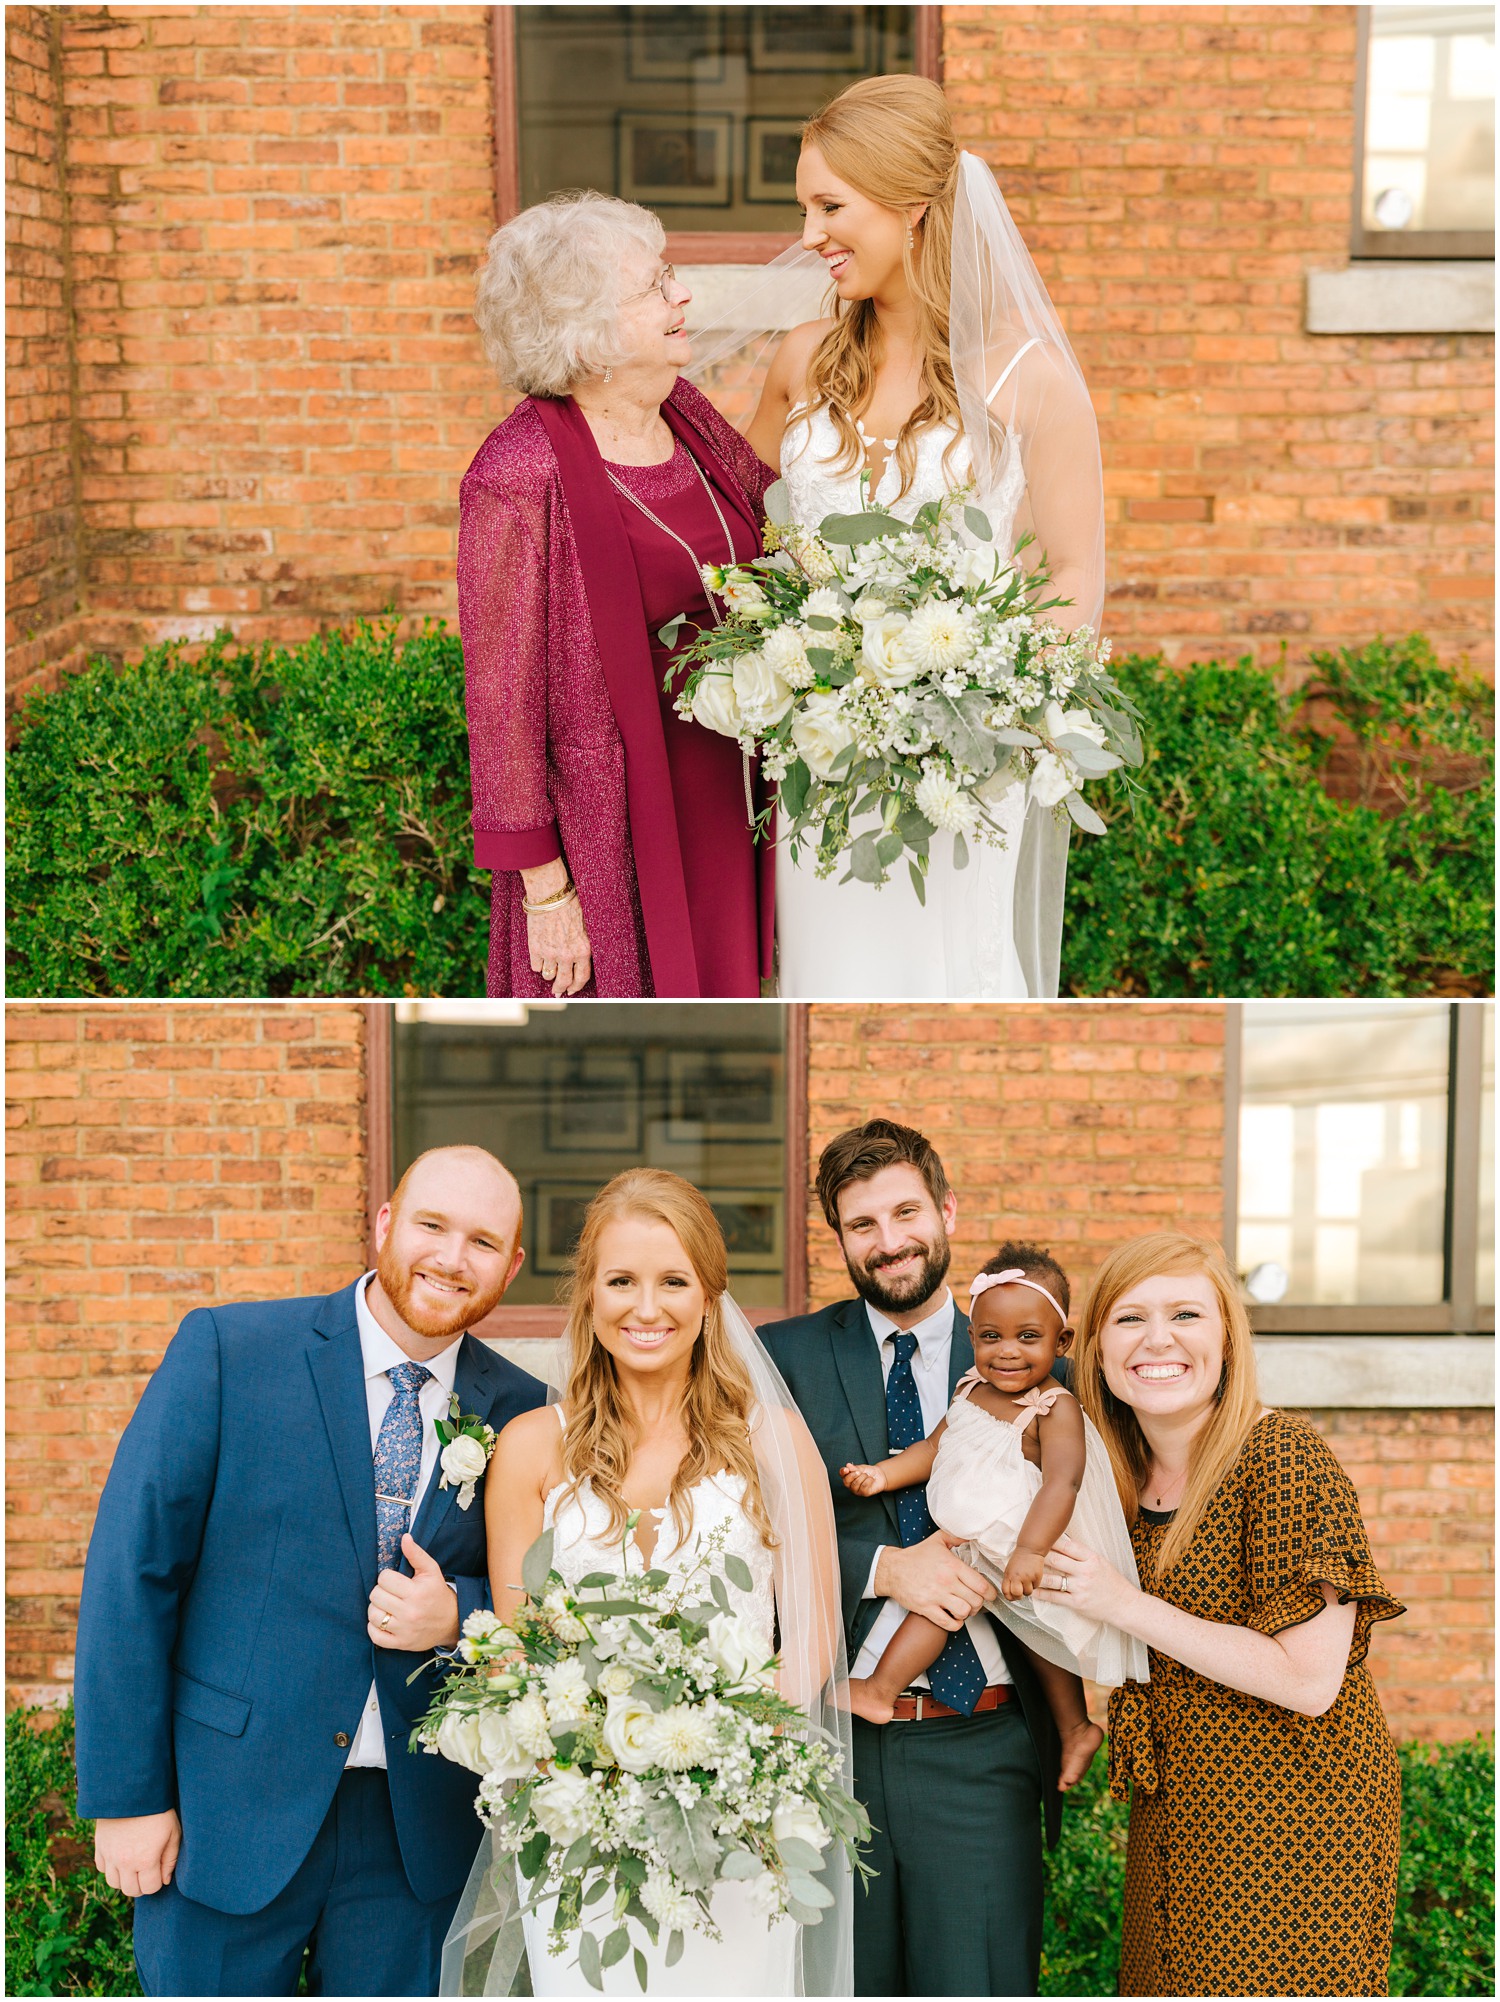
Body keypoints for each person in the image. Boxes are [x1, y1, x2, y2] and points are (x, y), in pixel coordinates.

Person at [74, 1147, 548, 1998]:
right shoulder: (230, 1349)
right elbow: (132, 1574)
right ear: (384, 1224)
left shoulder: (524, 1411)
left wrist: (458, 1615)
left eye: (483, 1242)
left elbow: (545, 1595)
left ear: (511, 1266)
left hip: (415, 1837)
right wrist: (127, 1796)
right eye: (432, 1225)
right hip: (226, 1812)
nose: (451, 1258)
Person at [442, 1169, 851, 1998]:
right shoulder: (530, 1447)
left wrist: (730, 1761)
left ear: (710, 1297)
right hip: (581, 1832)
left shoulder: (773, 1439)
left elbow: (814, 1633)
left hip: (738, 1820)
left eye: (673, 1282)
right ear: (588, 1296)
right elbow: (517, 1649)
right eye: (621, 1281)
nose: (647, 1307)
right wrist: (595, 1773)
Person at [741, 74, 1105, 1000]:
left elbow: (1073, 569)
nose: (811, 234)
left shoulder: (1031, 380)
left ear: (912, 210)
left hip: (963, 774)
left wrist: (993, 715)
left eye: (832, 206)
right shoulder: (800, 360)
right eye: (805, 208)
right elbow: (744, 543)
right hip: (822, 762)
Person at [1034, 1231, 1405, 1998]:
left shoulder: (1281, 1455)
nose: (1157, 1340)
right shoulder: (1112, 1475)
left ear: (1228, 1339)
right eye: (1130, 1319)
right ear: (1097, 1348)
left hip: (1298, 1818)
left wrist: (1125, 1604)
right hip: (1183, 1814)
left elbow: (1310, 1682)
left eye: (1186, 1315)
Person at [759, 1121, 1066, 1997]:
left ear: (947, 1211)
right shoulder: (782, 1361)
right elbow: (748, 1526)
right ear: (840, 1239)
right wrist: (883, 1568)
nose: (889, 1242)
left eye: (905, 1212)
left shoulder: (1035, 1362)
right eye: (863, 1225)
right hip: (827, 1737)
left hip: (984, 1742)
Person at [461, 192, 779, 1000]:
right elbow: (501, 700)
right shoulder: (515, 476)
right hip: (622, 822)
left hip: (738, 788)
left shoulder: (685, 412)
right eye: (653, 286)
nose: (682, 295)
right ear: (588, 332)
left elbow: (780, 532)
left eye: (670, 275)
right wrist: (547, 890)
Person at [838, 1247, 1147, 1784]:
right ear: (973, 1335)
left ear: (1061, 1342)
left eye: (1028, 1338)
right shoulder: (970, 1388)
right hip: (972, 1539)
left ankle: (881, 1689)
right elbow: (934, 1446)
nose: (1007, 1352)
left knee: (987, 1621)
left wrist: (1030, 1550)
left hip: (1016, 1539)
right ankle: (1075, 1728)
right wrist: (883, 1475)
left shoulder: (1054, 1407)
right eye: (989, 1337)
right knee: (1000, 1621)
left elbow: (1063, 1481)